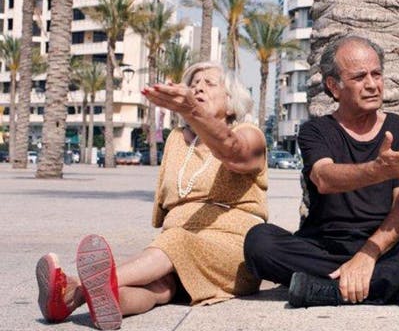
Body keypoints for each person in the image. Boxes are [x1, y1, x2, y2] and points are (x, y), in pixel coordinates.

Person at [36, 61, 268, 330]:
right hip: (174, 247)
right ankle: (107, 301)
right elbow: (164, 208)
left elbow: (233, 150)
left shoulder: (249, 134)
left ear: (230, 103)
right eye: (193, 84)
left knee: (177, 241)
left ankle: (74, 292)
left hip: (233, 251)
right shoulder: (177, 140)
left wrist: (191, 108)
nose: (198, 88)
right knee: (160, 287)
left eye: (209, 83)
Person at [243, 35, 399, 307]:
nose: (372, 84)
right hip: (324, 250)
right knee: (259, 242)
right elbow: (324, 178)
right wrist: (378, 170)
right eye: (359, 77)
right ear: (334, 86)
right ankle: (391, 286)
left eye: (377, 74)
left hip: (384, 250)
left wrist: (367, 256)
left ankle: (323, 290)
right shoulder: (316, 131)